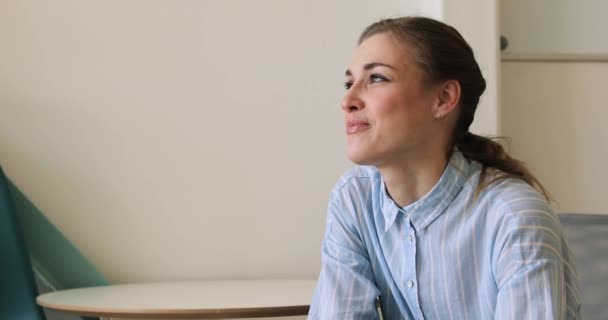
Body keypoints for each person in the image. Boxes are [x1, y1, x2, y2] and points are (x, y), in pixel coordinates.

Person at [308, 16, 581, 319]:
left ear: (444, 98)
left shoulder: (515, 217)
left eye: (376, 79)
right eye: (349, 83)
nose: (348, 100)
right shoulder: (354, 199)